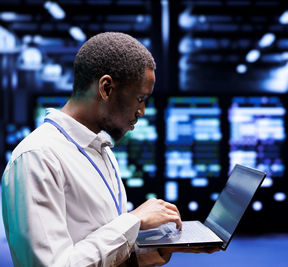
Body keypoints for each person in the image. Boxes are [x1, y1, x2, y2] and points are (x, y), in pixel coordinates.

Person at [1, 32, 217, 267]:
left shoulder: (102, 151)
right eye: (140, 98)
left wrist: (160, 248)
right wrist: (133, 221)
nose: (142, 111)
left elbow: (100, 246)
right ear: (106, 88)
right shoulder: (38, 157)